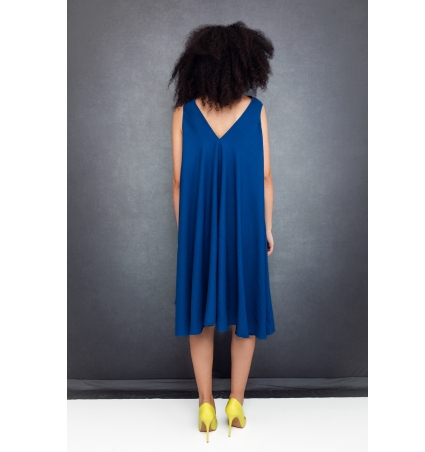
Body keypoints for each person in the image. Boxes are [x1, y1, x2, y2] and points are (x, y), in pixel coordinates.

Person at [168, 21, 275, 442]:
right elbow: (264, 177)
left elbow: (179, 182)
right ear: (245, 65)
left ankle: (206, 406)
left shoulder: (183, 114)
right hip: (246, 228)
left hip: (199, 232)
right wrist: (267, 229)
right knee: (244, 315)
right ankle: (236, 404)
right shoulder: (256, 111)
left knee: (201, 318)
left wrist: (189, 236)